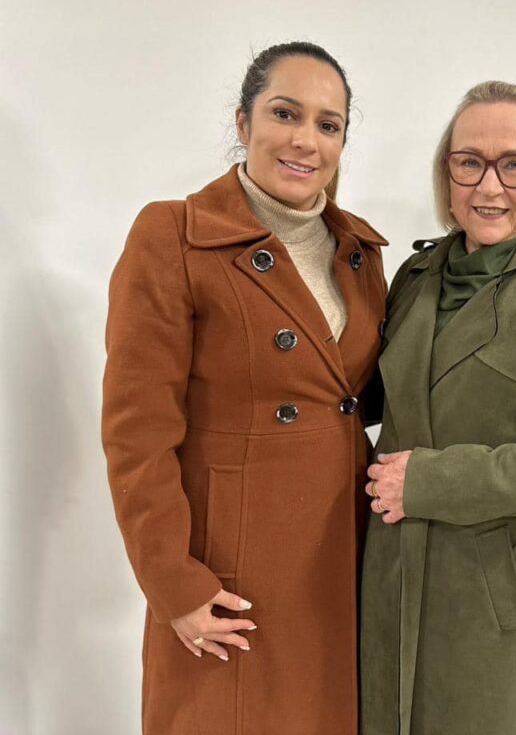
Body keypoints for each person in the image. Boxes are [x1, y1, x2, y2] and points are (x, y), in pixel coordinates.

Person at [102, 41, 387, 734]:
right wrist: (174, 583)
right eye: (285, 113)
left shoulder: (360, 252)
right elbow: (137, 433)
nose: (305, 140)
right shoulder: (174, 235)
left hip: (340, 556)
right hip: (230, 575)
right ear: (242, 120)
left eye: (328, 124)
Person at [359, 81, 516, 735]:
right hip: (395, 571)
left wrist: (429, 482)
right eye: (469, 162)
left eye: (515, 164)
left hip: (505, 595)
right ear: (446, 175)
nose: (489, 185)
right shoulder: (414, 278)